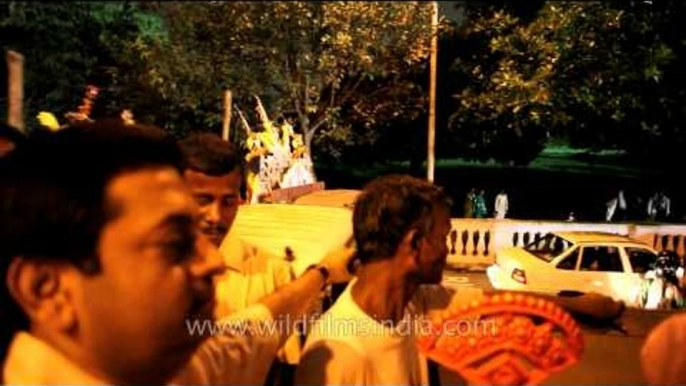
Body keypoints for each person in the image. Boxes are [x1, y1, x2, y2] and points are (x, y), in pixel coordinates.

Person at [0, 121, 353, 385]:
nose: (214, 262)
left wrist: (320, 274)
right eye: (174, 244)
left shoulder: (164, 371)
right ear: (46, 288)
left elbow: (247, 334)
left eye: (228, 201)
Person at [295, 175, 624, 386]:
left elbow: (496, 303)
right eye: (444, 237)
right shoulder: (338, 358)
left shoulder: (412, 302)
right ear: (415, 243)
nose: (449, 248)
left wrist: (578, 305)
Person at [178, 133, 301, 379]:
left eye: (228, 201)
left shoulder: (272, 271)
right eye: (203, 200)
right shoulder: (147, 271)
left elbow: (283, 366)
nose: (215, 215)